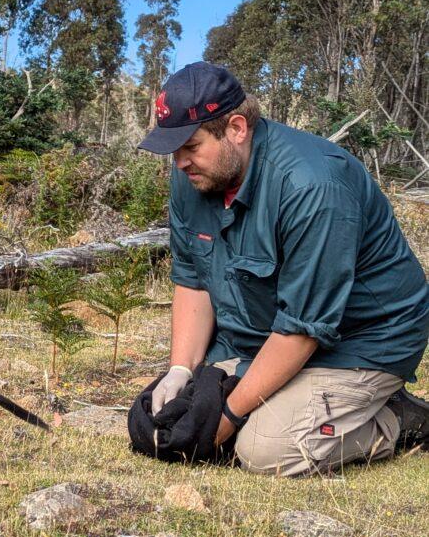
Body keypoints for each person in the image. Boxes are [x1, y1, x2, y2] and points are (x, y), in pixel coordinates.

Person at [137, 61, 429, 476]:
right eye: (173, 150)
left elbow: (303, 327)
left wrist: (226, 422)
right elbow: (193, 280)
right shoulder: (193, 177)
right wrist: (180, 371)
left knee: (265, 449)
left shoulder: (313, 185)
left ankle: (398, 419)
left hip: (360, 341)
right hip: (259, 330)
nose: (180, 162)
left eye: (191, 146)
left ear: (237, 128)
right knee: (171, 415)